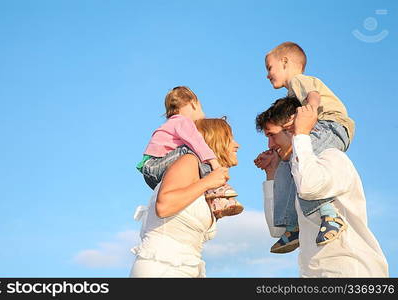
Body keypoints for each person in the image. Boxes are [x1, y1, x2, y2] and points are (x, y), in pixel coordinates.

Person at [255, 96, 388, 277]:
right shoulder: (297, 173)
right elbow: (277, 230)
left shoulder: (332, 158)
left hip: (351, 271)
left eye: (272, 135)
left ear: (291, 128)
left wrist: (301, 134)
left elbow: (309, 187)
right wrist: (271, 175)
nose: (269, 145)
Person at [262, 41, 355, 253]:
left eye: (270, 68)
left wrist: (310, 113)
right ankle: (292, 225)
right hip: (322, 127)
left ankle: (329, 213)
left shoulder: (299, 81)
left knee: (300, 162)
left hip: (331, 125)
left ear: (285, 62)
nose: (267, 74)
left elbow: (313, 96)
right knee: (287, 165)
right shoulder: (290, 96)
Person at [130, 118, 240, 277]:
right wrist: (208, 182)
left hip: (187, 268)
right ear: (215, 140)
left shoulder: (203, 184)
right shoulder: (188, 161)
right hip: (162, 266)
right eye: (230, 139)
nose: (237, 145)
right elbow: (164, 206)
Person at [136, 86, 243, 219]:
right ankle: (218, 190)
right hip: (153, 165)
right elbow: (197, 142)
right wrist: (214, 165)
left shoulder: (173, 124)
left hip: (152, 171)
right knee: (192, 150)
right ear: (194, 103)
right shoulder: (182, 121)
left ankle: (216, 199)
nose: (238, 145)